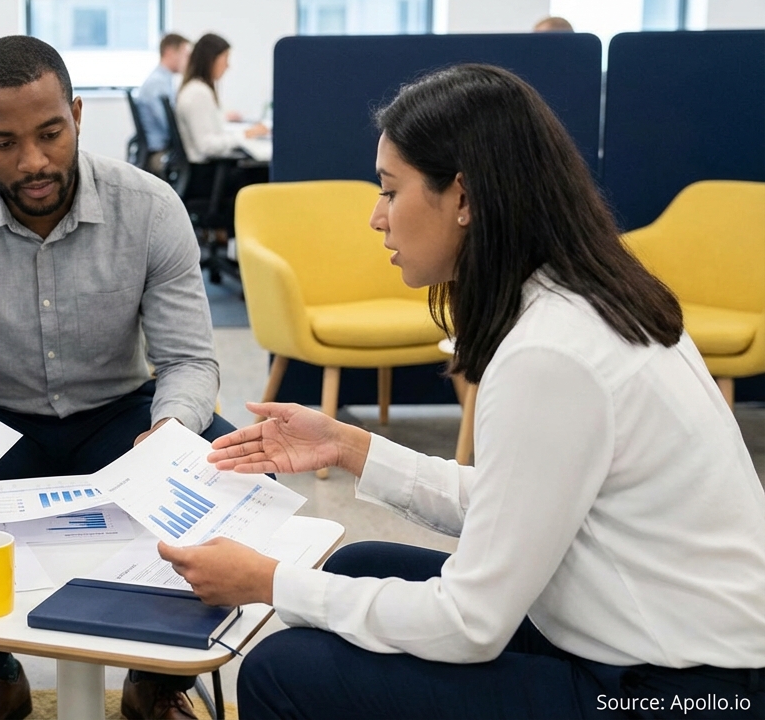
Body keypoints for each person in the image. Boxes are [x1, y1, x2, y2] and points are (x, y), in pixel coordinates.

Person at [160, 64, 765, 719]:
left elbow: (471, 624)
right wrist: (349, 446)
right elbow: (522, 501)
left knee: (282, 671)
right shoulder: (586, 301)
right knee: (355, 566)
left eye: (390, 191)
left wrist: (269, 581)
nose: (375, 217)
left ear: (465, 198)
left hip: (689, 690)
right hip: (652, 633)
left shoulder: (550, 353)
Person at [0, 35, 235, 720]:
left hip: (122, 412)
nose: (34, 161)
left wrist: (168, 432)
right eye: (5, 143)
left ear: (77, 114)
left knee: (232, 470)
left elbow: (189, 360)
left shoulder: (150, 206)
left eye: (51, 133)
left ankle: (156, 678)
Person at [174, 33, 269, 228]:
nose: (227, 66)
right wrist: (245, 135)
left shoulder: (198, 89)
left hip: (203, 172)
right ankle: (245, 242)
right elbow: (207, 146)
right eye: (225, 59)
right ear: (212, 60)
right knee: (263, 175)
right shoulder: (198, 93)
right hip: (206, 176)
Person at [134, 32, 190, 172]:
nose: (188, 61)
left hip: (161, 150)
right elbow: (169, 126)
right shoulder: (157, 83)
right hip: (160, 153)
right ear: (170, 52)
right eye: (185, 55)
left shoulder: (164, 80)